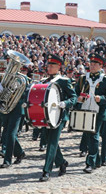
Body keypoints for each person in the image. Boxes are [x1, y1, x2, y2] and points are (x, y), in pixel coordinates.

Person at [74, 53, 106, 173]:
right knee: (88, 136)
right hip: (85, 111)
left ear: (100, 66)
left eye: (95, 64)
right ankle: (97, 160)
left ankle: (90, 162)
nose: (92, 66)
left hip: (99, 112)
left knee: (94, 135)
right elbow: (75, 93)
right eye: (91, 64)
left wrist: (102, 99)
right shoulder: (83, 78)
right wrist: (78, 99)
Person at [39, 54, 77, 182]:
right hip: (46, 116)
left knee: (52, 143)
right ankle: (62, 162)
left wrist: (65, 103)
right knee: (49, 140)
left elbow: (74, 98)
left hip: (59, 116)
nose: (48, 68)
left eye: (52, 66)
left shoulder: (64, 81)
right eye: (48, 65)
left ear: (58, 67)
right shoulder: (44, 81)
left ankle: (46, 171)